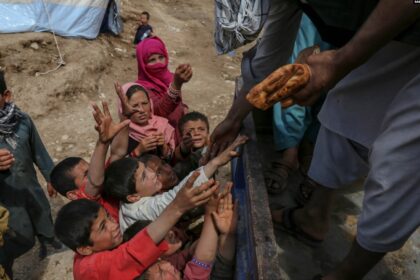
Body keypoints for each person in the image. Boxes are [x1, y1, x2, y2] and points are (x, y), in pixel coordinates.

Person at [210, 1, 420, 279]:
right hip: (396, 32)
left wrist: (339, 61)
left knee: (400, 161)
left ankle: (348, 273)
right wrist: (235, 118)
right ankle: (314, 215)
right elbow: (267, 61)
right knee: (345, 104)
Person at [54, 172, 219, 280]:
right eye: (103, 227)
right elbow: (130, 253)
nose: (114, 225)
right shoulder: (90, 269)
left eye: (109, 217)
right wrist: (177, 207)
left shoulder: (98, 246)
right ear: (84, 249)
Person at [104, 134, 247, 233]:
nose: (153, 174)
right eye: (144, 177)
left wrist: (210, 149)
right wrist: (215, 162)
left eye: (147, 170)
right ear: (133, 197)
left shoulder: (129, 191)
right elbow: (173, 198)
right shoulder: (140, 210)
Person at [0, 70, 60, 273]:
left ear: (6, 96)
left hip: (30, 186)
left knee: (41, 212)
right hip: (6, 199)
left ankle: (48, 242)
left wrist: (52, 177)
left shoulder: (22, 120)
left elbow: (39, 151)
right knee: (18, 231)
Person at [50, 101, 130, 222]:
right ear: (73, 195)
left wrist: (125, 118)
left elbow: (118, 153)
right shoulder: (85, 211)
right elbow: (94, 183)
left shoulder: (103, 178)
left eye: (91, 167)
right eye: (87, 174)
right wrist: (103, 143)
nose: (94, 171)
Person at [145, 188, 237, 280]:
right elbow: (201, 263)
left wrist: (227, 235)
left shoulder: (172, 262)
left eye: (160, 263)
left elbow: (220, 271)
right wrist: (211, 211)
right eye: (162, 273)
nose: (168, 265)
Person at [135, 36, 192, 141]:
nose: (158, 63)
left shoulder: (170, 77)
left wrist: (183, 108)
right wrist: (176, 85)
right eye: (152, 60)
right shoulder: (140, 89)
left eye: (161, 57)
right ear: (142, 64)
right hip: (161, 142)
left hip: (179, 137)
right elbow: (160, 111)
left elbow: (176, 102)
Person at [114, 82, 176, 160]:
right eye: (135, 106)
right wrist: (137, 152)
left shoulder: (162, 125)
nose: (141, 110)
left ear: (150, 103)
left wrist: (164, 148)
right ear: (123, 108)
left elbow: (172, 161)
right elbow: (116, 166)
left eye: (145, 103)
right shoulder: (121, 133)